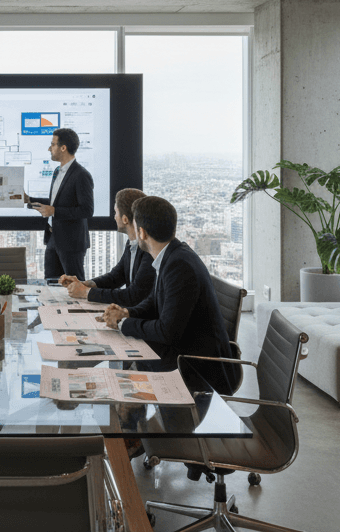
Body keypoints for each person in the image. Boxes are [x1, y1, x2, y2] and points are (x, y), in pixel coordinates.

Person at [101, 196, 240, 396]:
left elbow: (167, 331)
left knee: (119, 382)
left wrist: (123, 323)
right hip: (185, 352)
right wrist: (128, 313)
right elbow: (155, 300)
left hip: (197, 370)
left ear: (141, 232)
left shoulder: (178, 265)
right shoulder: (173, 254)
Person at [59, 188, 154, 305]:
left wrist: (86, 293)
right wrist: (86, 284)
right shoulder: (132, 243)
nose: (114, 217)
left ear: (124, 219)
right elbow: (116, 277)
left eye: (115, 213)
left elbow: (133, 295)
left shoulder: (150, 249)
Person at [28, 127, 94, 281]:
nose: (49, 148)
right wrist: (29, 200)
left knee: (73, 287)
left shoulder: (81, 175)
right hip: (53, 238)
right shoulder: (57, 171)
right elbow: (54, 203)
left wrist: (54, 211)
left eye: (53, 144)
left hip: (71, 243)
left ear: (63, 148)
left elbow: (87, 210)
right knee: (51, 283)